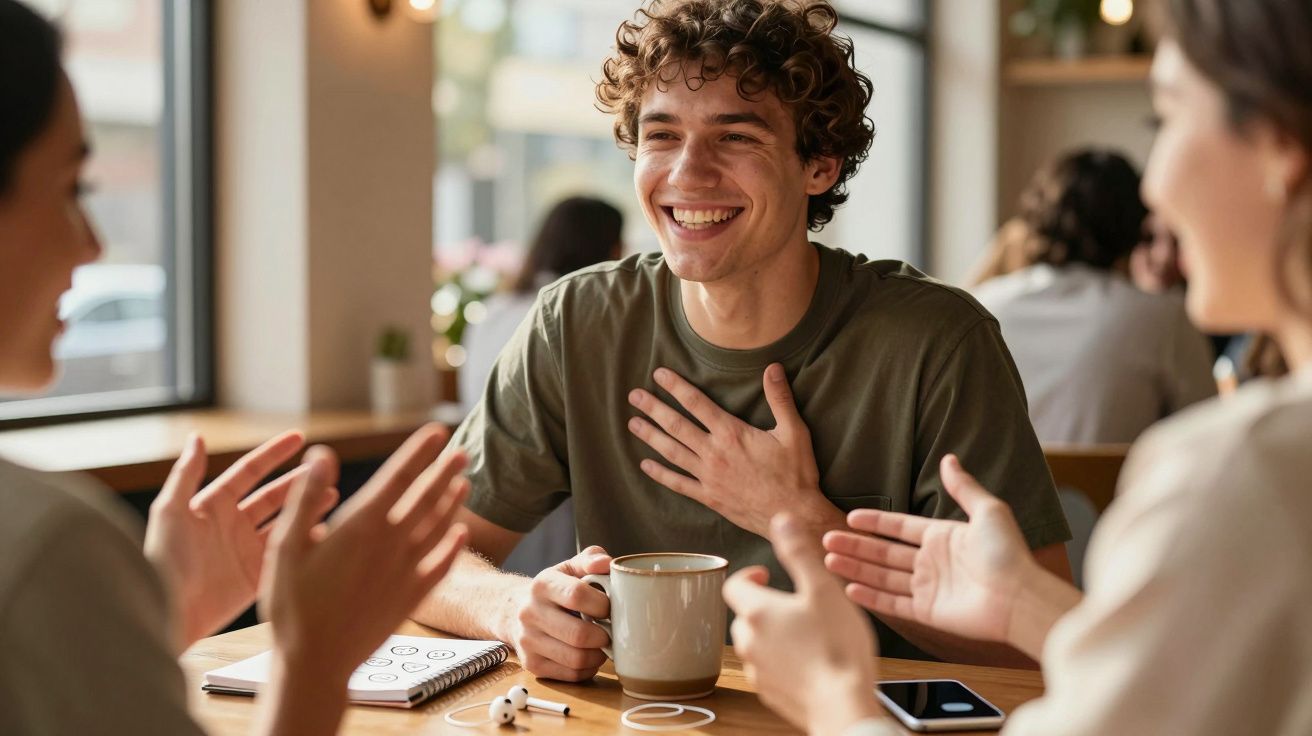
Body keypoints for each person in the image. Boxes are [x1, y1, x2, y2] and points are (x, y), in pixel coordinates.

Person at [412, 0, 1071, 674]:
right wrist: (509, 607)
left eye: (736, 137)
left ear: (820, 164)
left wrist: (799, 518)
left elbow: (1042, 640)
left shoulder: (937, 342)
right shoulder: (578, 324)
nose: (687, 174)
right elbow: (415, 557)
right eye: (662, 136)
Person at [725, 0, 1312, 733]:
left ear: (1278, 145)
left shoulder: (1244, 475)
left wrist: (833, 703)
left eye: (1167, 118)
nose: (1155, 191)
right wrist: (1026, 604)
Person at [0, 3, 469, 733]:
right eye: (71, 189)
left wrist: (160, 611)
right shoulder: (43, 549)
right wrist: (314, 655)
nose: (91, 245)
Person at [973, 149, 1216, 444]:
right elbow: (1206, 436)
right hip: (1116, 491)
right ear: (1135, 223)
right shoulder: (1165, 318)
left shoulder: (981, 306)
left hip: (991, 490)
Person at [459, 196, 623, 576]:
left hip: (487, 493)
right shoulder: (579, 319)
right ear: (610, 248)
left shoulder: (493, 311)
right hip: (552, 522)